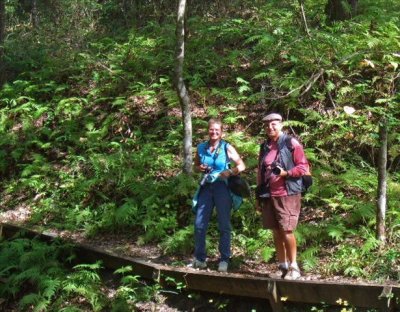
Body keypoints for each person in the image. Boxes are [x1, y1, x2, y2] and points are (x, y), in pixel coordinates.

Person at [255, 113, 309, 280]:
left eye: (274, 124)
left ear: (281, 124)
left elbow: (304, 167)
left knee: (287, 230)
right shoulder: (265, 146)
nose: (270, 127)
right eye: (267, 125)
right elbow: (260, 171)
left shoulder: (291, 143)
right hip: (268, 194)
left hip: (287, 193)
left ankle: (294, 267)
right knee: (276, 231)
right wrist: (258, 195)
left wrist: (286, 173)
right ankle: (282, 265)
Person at [190, 118, 246, 272]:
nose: (214, 132)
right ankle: (200, 259)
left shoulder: (227, 147)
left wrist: (230, 171)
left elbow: (241, 165)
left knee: (224, 225)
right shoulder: (201, 147)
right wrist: (199, 168)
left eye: (217, 130)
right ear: (207, 130)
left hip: (222, 188)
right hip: (206, 187)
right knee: (199, 224)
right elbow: (195, 167)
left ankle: (224, 259)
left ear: (221, 132)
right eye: (211, 129)